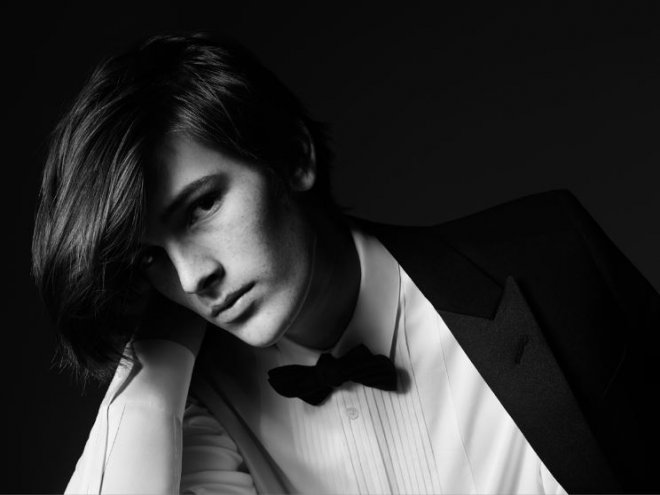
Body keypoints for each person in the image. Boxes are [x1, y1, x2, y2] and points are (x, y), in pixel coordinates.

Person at [32, 32, 659, 494]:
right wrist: (155, 371)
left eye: (202, 206)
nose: (193, 277)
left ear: (293, 157)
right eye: (150, 257)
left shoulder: (550, 257)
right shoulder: (200, 419)